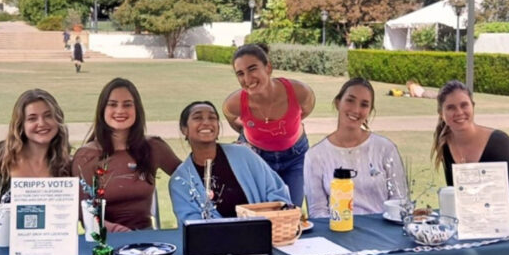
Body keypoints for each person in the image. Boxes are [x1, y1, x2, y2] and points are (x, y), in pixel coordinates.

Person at [73, 78, 181, 231]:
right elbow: (86, 216)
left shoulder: (154, 147)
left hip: (147, 243)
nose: (120, 111)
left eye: (127, 104)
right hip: (106, 245)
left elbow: (190, 179)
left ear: (137, 109)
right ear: (102, 109)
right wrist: (122, 233)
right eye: (112, 104)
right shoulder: (86, 157)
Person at [222, 44, 315, 208]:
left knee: (291, 212)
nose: (247, 78)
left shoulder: (300, 91)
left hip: (295, 157)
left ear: (268, 67)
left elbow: (306, 109)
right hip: (258, 159)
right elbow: (232, 119)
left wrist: (286, 125)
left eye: (252, 69)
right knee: (261, 215)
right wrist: (251, 132)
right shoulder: (233, 103)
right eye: (240, 74)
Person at [169, 101, 291, 223]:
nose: (206, 122)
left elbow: (276, 191)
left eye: (212, 118)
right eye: (197, 118)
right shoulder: (180, 181)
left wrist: (271, 221)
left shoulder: (244, 155)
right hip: (216, 241)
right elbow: (191, 224)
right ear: (184, 129)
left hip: (264, 234)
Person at [304, 78, 407, 217]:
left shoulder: (385, 149)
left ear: (369, 111)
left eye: (364, 105)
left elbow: (400, 200)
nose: (356, 109)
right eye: (350, 100)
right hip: (337, 232)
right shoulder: (316, 155)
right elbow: (317, 211)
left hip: (380, 232)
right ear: (338, 102)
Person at [0, 89, 72, 219]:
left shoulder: (67, 166)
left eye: (48, 116)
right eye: (32, 118)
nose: (42, 123)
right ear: (21, 125)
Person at [431, 80, 509, 212]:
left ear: (473, 107)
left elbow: (507, 196)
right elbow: (457, 195)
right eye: (450, 107)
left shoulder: (500, 143)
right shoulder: (445, 144)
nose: (459, 112)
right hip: (469, 221)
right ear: (441, 113)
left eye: (464, 105)